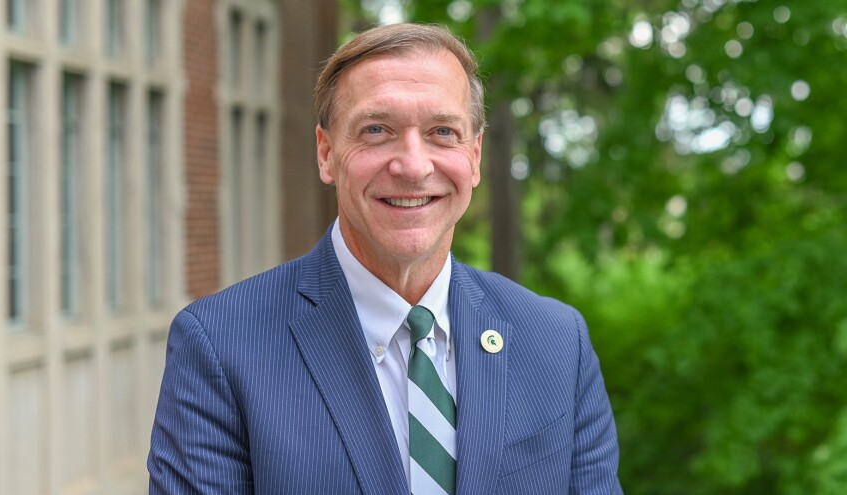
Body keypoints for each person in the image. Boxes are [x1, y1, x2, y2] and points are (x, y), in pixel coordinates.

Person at [148, 23, 622, 494]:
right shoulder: (219, 346)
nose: (413, 166)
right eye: (376, 130)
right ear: (327, 153)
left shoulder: (558, 345)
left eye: (442, 131)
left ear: (474, 156)